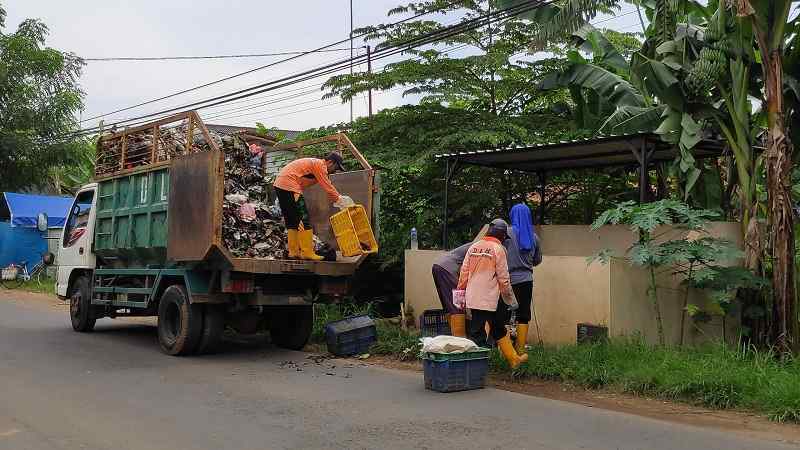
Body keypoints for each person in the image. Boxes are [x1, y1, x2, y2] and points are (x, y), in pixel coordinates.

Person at [457, 219, 528, 369]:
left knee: (488, 329)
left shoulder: (473, 247)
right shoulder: (498, 249)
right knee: (490, 329)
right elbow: (504, 279)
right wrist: (510, 300)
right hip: (490, 298)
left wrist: (460, 295)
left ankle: (511, 359)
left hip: (473, 297)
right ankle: (480, 366)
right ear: (502, 235)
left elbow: (463, 273)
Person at [273, 153, 353, 260]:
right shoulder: (320, 165)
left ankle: (294, 252)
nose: (335, 171)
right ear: (330, 162)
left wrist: (336, 199)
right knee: (303, 219)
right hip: (289, 186)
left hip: (281, 185)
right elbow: (328, 187)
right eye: (336, 167)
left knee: (292, 221)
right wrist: (340, 201)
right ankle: (307, 252)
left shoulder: (314, 164)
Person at [507, 203, 538, 355]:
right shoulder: (534, 237)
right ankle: (520, 348)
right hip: (526, 280)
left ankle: (505, 350)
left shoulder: (507, 233)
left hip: (508, 280)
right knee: (523, 315)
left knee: (505, 314)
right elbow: (537, 260)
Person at [431, 242, 472, 337]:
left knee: (449, 305)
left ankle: (455, 336)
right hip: (449, 268)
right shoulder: (486, 248)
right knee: (458, 304)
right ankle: (460, 339)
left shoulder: (479, 245)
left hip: (439, 265)